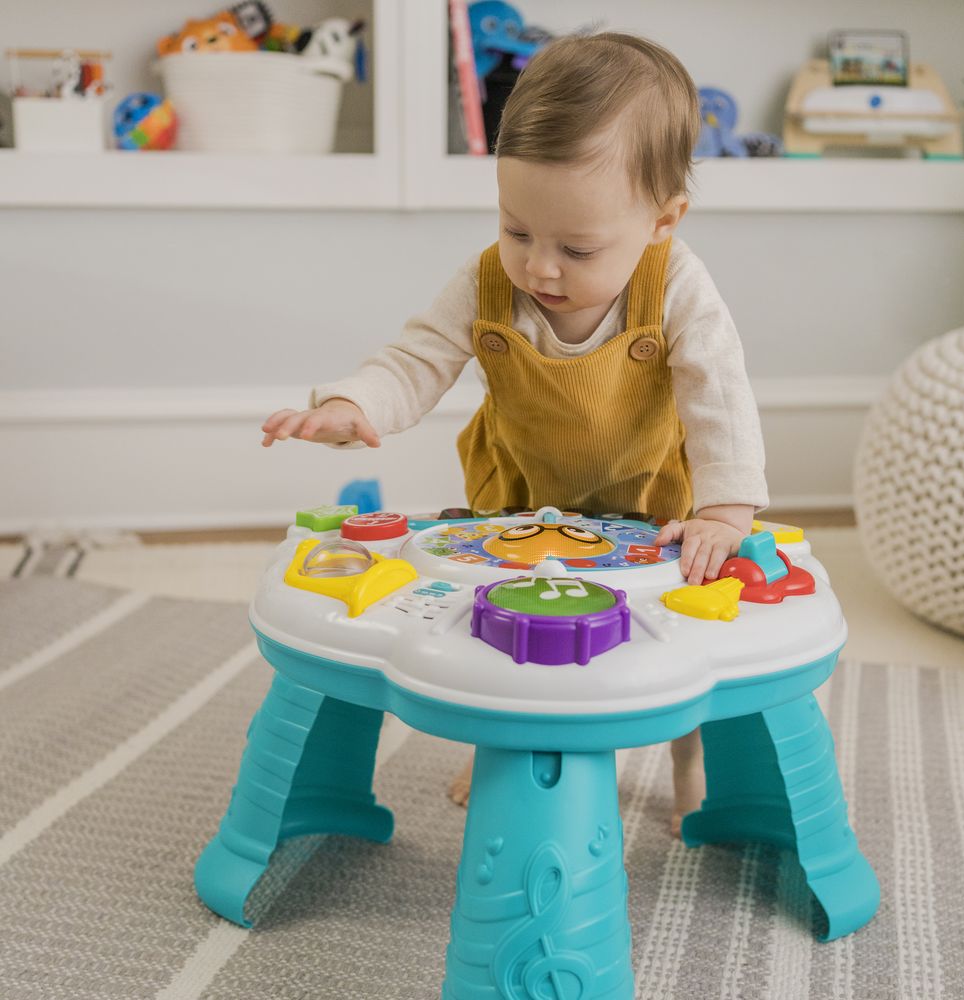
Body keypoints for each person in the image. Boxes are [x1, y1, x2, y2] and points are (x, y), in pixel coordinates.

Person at [260, 32, 768, 836]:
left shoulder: (679, 287)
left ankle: (688, 757)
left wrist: (726, 508)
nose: (541, 268)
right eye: (517, 228)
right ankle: (503, 740)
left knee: (678, 630)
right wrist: (353, 407)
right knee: (506, 629)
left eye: (577, 248)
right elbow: (416, 357)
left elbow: (720, 393)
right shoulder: (488, 279)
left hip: (650, 494)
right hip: (522, 497)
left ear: (663, 220)